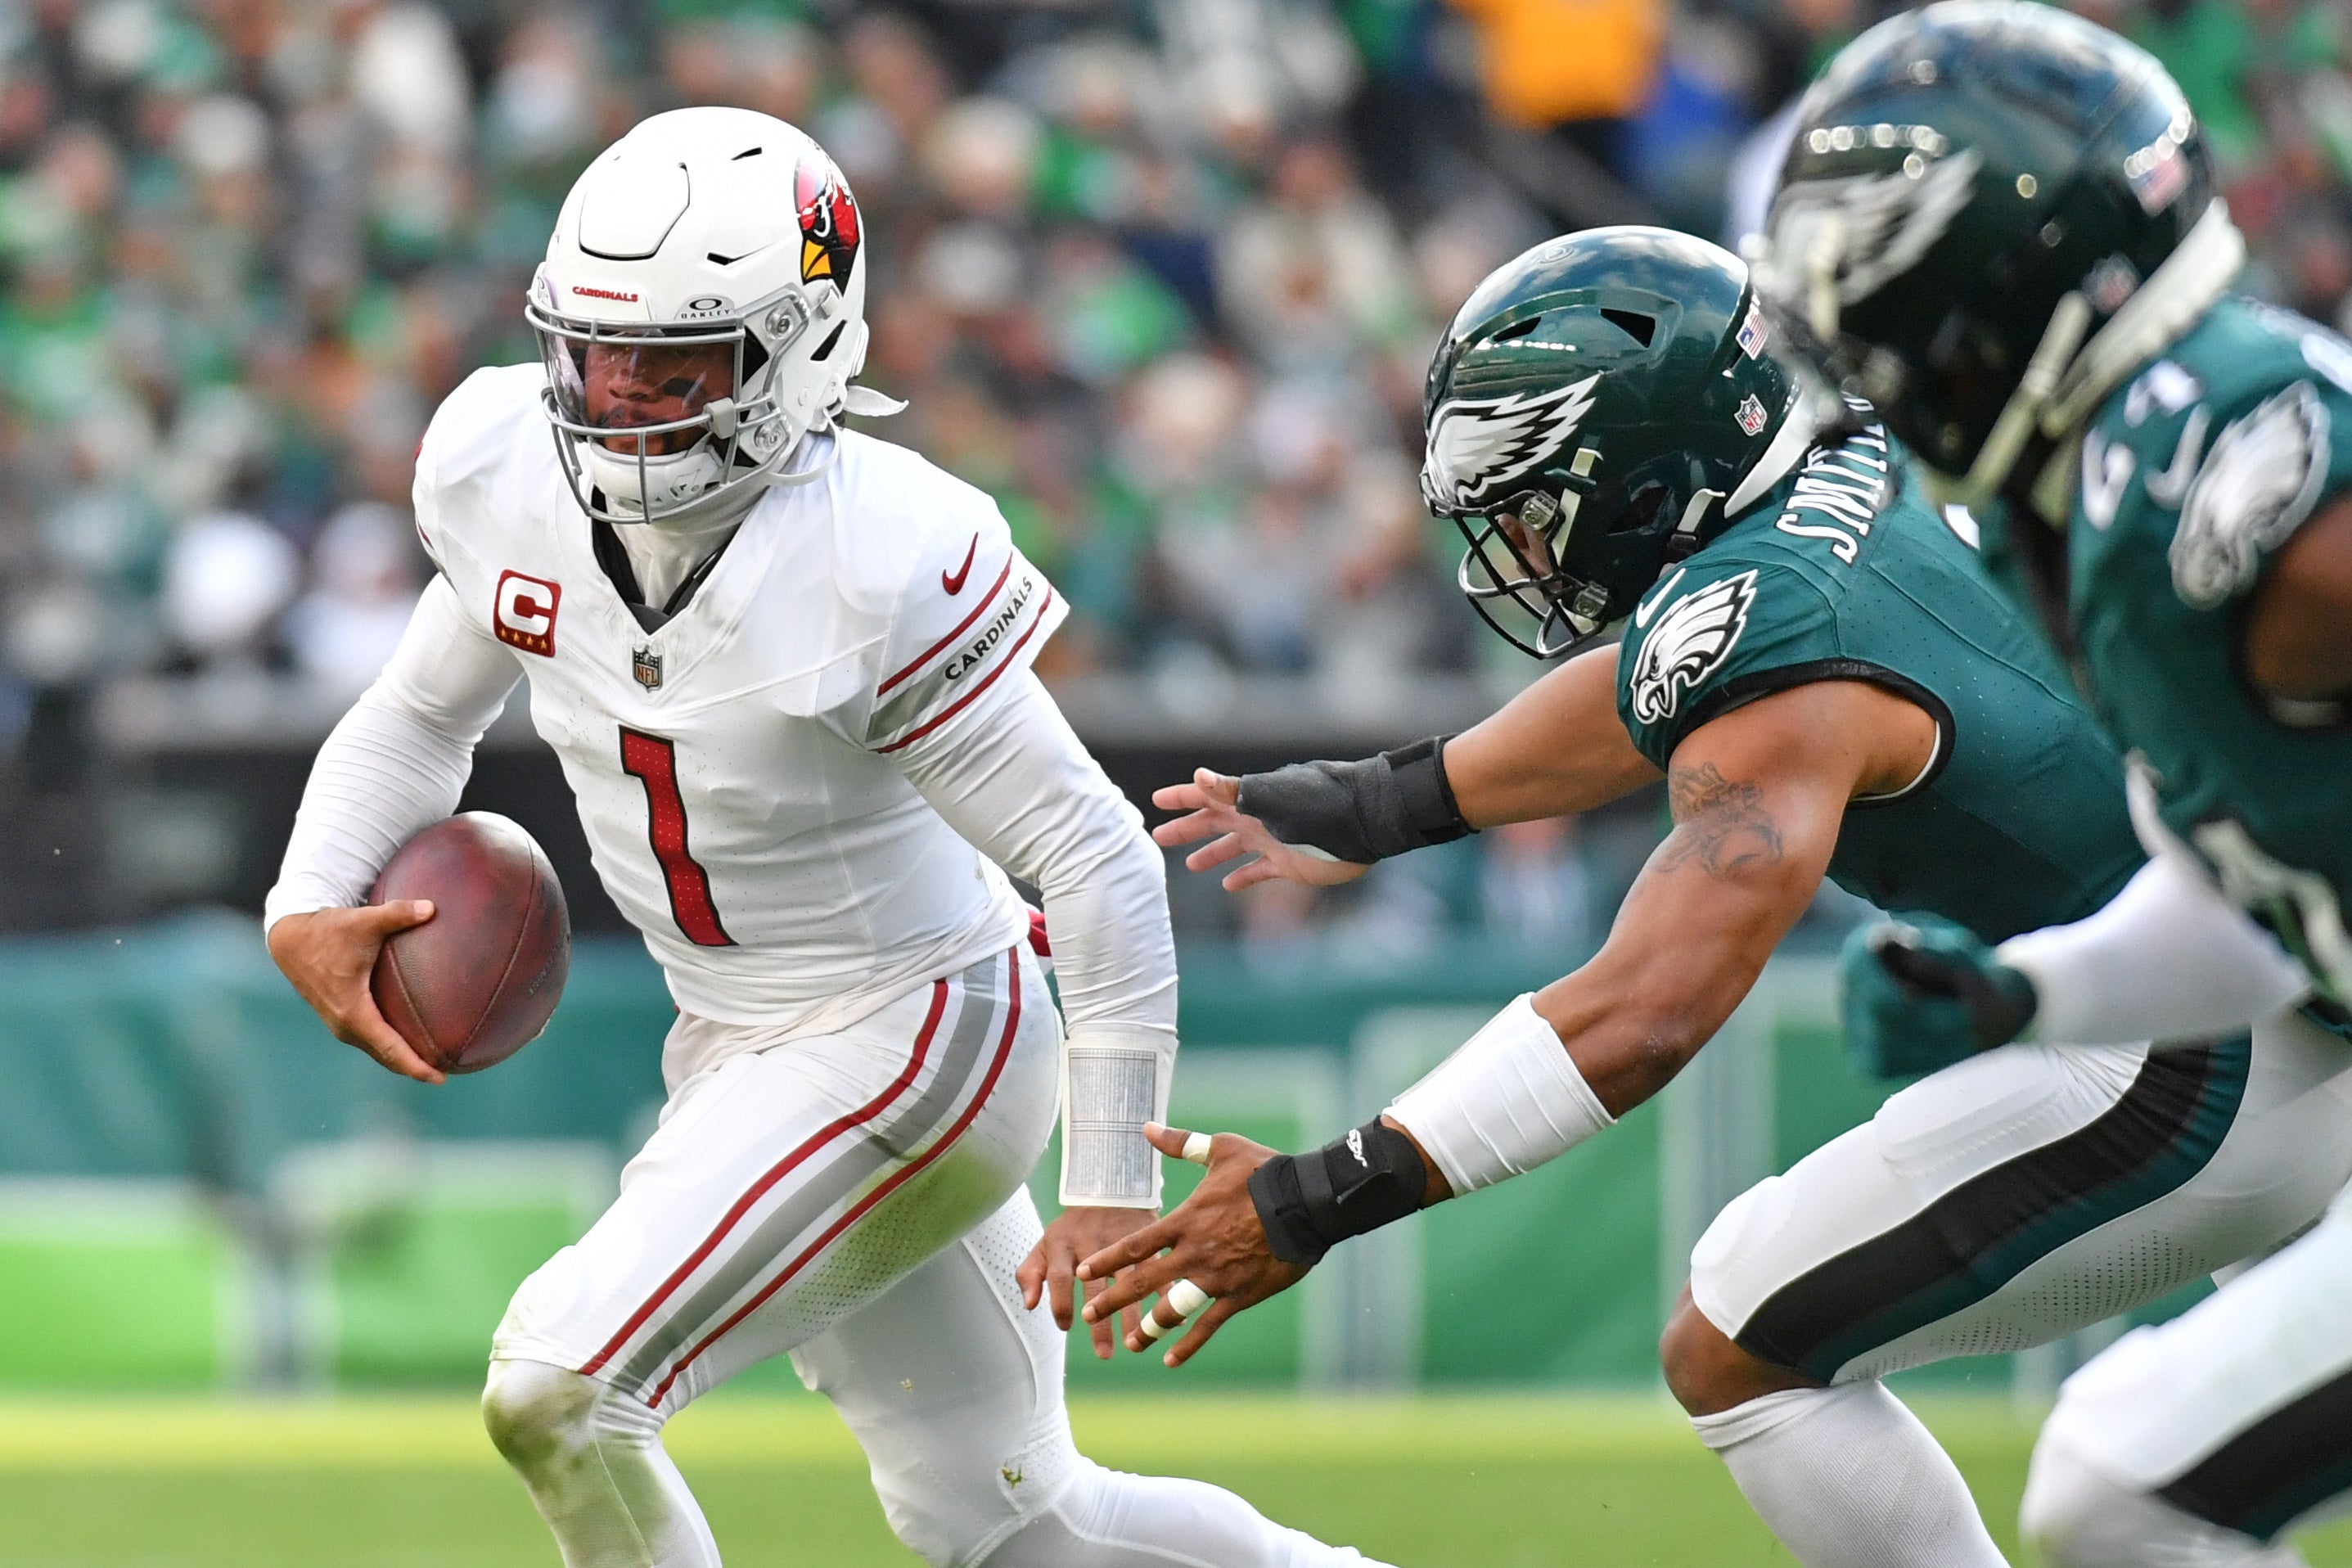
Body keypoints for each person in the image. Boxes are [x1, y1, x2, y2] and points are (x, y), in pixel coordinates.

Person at [1073, 224, 2352, 1568]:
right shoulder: (1846, 468)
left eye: (1534, 503)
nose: (1519, 545)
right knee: (2190, 1488)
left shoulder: (1778, 648)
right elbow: (1660, 681)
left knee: (1741, 1342)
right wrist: (1376, 805)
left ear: (1640, 472)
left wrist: (1315, 1197)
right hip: (2261, 969)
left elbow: (1646, 1009)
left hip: (2187, 1036)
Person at [263, 106, 1386, 1568]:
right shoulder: (508, 475)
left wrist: (1109, 1179)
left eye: (674, 364)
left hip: (912, 1026)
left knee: (562, 1386)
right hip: (736, 1035)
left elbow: (1094, 856)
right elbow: (420, 715)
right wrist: (307, 897)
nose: (621, 398)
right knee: (1018, 1524)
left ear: (796, 354)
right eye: (596, 354)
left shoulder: (876, 554)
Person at [1748, 5, 2352, 1563]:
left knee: (2117, 1476)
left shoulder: (2214, 445)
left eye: (1880, 310)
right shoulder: (2092, 494)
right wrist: (2033, 995)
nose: (1868, 364)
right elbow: (2248, 898)